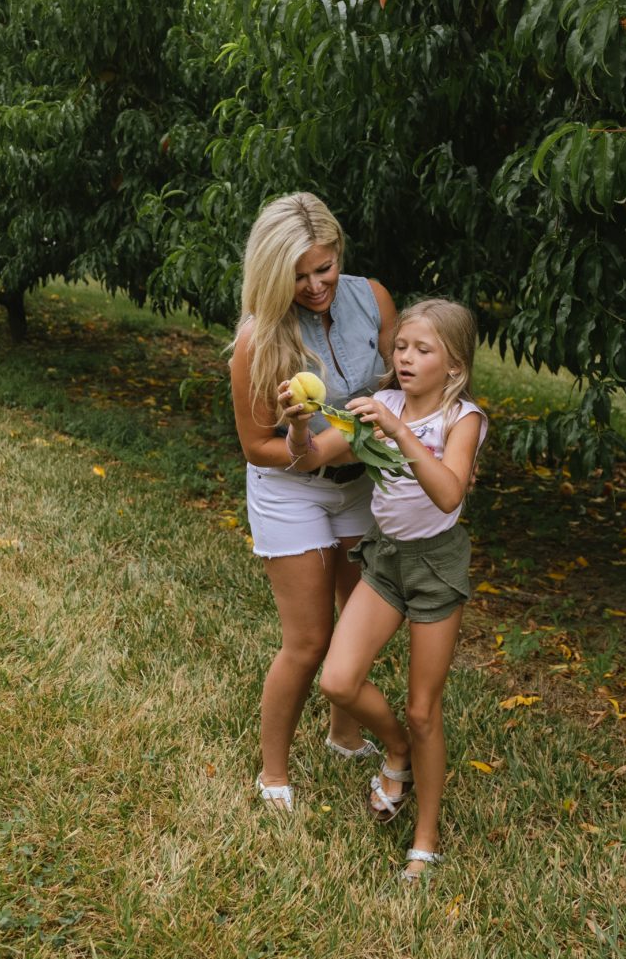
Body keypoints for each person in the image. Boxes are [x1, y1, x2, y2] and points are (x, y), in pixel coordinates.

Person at [291, 298, 488, 884]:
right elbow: (310, 457)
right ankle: (396, 750)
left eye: (422, 350)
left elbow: (448, 494)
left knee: (424, 709)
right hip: (385, 559)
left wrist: (399, 431)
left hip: (435, 567)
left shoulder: (461, 418)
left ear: (454, 366)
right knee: (337, 680)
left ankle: (425, 838)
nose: (404, 358)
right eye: (400, 346)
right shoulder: (385, 403)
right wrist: (300, 421)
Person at [229, 192, 397, 812]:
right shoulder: (259, 337)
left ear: (339, 253)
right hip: (291, 488)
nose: (316, 285)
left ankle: (344, 735)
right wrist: (325, 443)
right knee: (308, 640)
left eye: (324, 268)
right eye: (299, 276)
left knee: (356, 625)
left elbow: (399, 385)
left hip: (358, 485)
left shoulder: (372, 298)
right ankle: (274, 773)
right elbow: (257, 446)